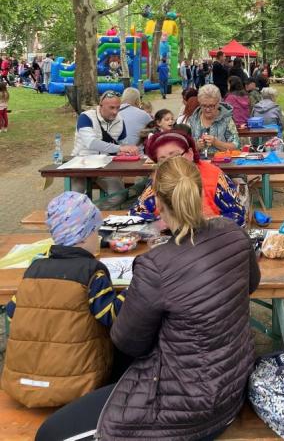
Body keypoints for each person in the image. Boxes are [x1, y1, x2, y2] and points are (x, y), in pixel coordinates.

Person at [37, 158, 260, 441]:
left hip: (188, 410)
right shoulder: (234, 233)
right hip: (233, 386)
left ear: (158, 203)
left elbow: (128, 342)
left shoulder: (156, 265)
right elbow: (251, 284)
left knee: (49, 434)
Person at [3, 192, 125, 409]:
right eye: (96, 231)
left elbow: (13, 314)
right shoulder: (92, 272)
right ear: (84, 235)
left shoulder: (34, 270)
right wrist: (132, 290)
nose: (97, 237)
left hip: (22, 382)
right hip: (80, 385)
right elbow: (110, 316)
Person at [132, 128, 246, 225]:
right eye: (162, 160)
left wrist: (202, 224)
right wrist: (164, 222)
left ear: (190, 154)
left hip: (208, 238)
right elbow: (136, 213)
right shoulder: (159, 178)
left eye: (175, 156)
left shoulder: (213, 176)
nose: (170, 164)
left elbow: (237, 214)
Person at [72, 90, 139, 204]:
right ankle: (78, 213)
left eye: (118, 108)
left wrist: (126, 151)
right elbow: (91, 143)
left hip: (105, 167)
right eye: (111, 108)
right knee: (75, 197)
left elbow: (123, 144)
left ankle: (97, 212)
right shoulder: (86, 117)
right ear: (101, 105)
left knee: (119, 196)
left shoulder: (120, 121)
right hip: (81, 164)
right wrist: (120, 149)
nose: (115, 112)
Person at [189, 83, 240, 154]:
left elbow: (236, 146)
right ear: (199, 103)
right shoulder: (193, 120)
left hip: (222, 161)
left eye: (211, 106)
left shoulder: (226, 120)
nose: (207, 109)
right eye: (204, 105)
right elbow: (185, 148)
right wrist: (196, 146)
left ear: (218, 103)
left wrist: (216, 143)